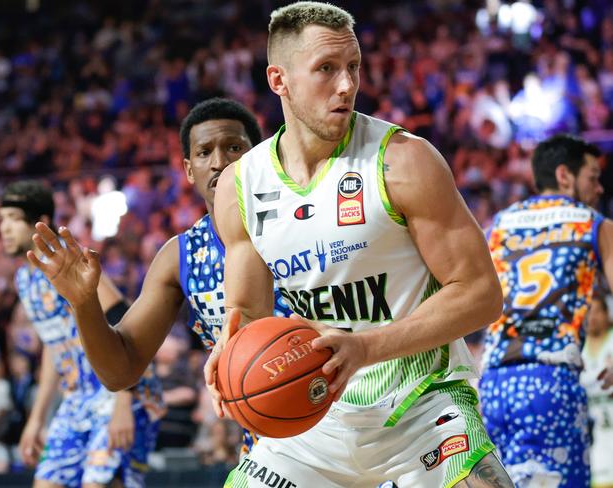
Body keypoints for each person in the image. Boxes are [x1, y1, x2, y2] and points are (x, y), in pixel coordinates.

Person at [206, 3, 513, 487]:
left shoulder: (403, 161)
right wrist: (232, 355)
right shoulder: (240, 185)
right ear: (279, 80)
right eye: (326, 69)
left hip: (420, 408)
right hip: (311, 414)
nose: (346, 85)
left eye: (353, 67)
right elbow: (248, 313)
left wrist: (365, 348)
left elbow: (480, 293)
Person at [26, 98, 291, 457]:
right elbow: (120, 371)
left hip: (347, 416)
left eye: (234, 147)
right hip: (268, 445)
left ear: (257, 156)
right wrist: (84, 304)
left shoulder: (299, 223)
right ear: (188, 169)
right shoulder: (179, 255)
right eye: (204, 152)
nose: (219, 162)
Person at [0, 180, 164, 488]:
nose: (3, 228)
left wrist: (124, 403)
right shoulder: (25, 279)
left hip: (120, 390)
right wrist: (37, 419)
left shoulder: (67, 262)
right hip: (77, 399)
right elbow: (54, 347)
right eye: (1, 219)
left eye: (13, 219)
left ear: (40, 223)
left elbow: (126, 324)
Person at [480, 134, 613, 487]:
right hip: (550, 383)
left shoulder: (497, 225)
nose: (599, 189)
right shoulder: (592, 222)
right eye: (593, 177)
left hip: (491, 386)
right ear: (565, 176)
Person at [581, 293, 613, 488]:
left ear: (607, 313)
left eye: (597, 311)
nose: (592, 317)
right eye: (588, 312)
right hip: (592, 438)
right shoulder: (576, 349)